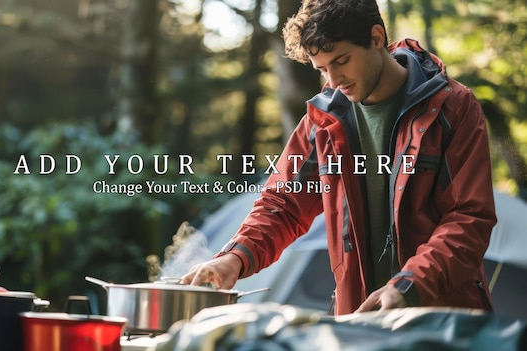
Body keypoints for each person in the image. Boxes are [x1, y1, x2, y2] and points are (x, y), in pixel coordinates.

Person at [181, 0, 498, 315]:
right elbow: (283, 205)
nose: (333, 81)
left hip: (442, 321)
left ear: (376, 38)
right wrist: (236, 256)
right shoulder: (322, 122)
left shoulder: (453, 107)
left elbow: (468, 218)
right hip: (355, 322)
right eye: (322, 69)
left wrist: (408, 287)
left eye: (342, 61)